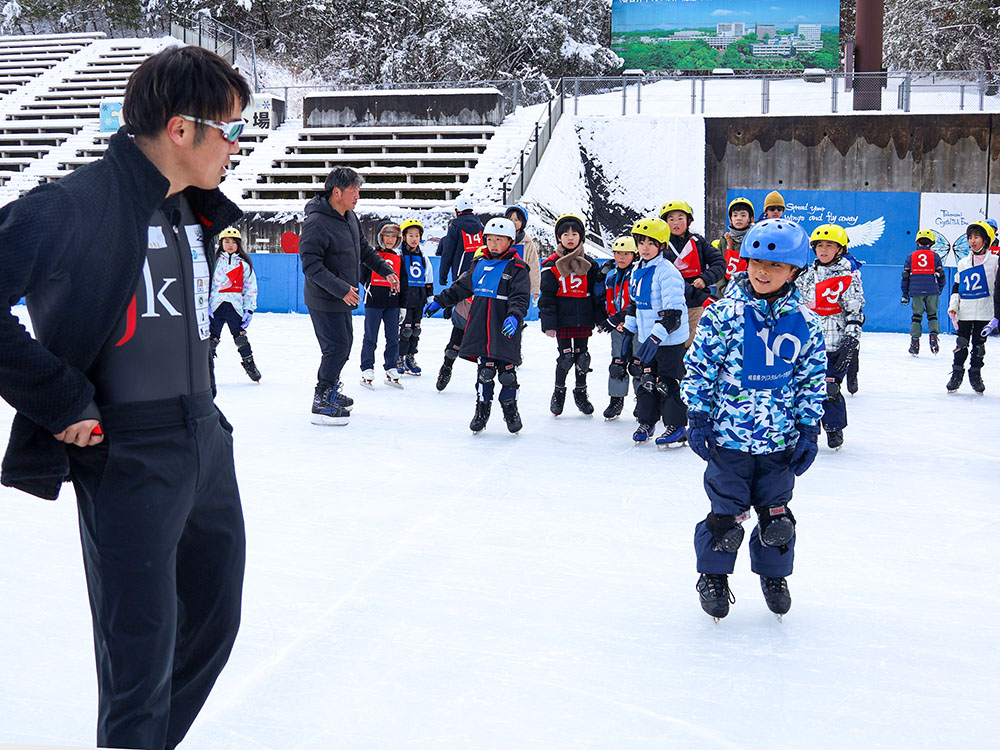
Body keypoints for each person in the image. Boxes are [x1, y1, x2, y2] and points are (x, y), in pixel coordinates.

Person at [0, 46, 250, 750]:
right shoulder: (71, 206)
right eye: (229, 128)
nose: (236, 145)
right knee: (139, 658)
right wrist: (60, 398)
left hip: (204, 442)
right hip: (128, 453)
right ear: (180, 129)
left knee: (212, 624)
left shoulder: (194, 209)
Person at [684, 218, 827, 621]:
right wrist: (697, 416)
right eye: (755, 262)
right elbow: (699, 367)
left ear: (794, 270)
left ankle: (773, 575)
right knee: (725, 519)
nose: (762, 272)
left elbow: (810, 378)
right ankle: (713, 576)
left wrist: (809, 428)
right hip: (729, 439)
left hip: (778, 441)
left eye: (775, 265)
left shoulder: (806, 321)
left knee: (776, 517)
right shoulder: (723, 315)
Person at [300, 167, 400, 425]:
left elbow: (364, 250)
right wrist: (341, 288)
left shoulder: (349, 217)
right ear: (337, 192)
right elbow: (311, 266)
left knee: (343, 346)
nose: (357, 195)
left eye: (358, 190)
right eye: (354, 190)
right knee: (336, 348)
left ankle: (330, 389)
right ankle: (322, 398)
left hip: (345, 296)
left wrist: (385, 269)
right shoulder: (316, 222)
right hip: (325, 298)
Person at [424, 218, 530, 434]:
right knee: (485, 373)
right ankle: (482, 411)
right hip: (481, 328)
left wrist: (515, 316)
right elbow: (460, 288)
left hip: (504, 329)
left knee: (507, 374)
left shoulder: (518, 268)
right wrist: (440, 300)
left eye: (499, 240)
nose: (493, 244)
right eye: (489, 239)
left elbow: (520, 297)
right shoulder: (479, 265)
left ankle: (511, 410)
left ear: (510, 241)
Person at [796, 224, 865, 449]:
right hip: (810, 343)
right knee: (807, 388)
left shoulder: (849, 277)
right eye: (819, 246)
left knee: (831, 388)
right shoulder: (806, 275)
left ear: (840, 249)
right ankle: (809, 428)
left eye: (829, 246)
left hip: (836, 342)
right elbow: (797, 303)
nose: (823, 250)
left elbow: (855, 311)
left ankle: (834, 429)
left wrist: (851, 342)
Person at [621, 217, 688, 445]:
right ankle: (647, 421)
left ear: (661, 245)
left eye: (651, 243)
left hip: (669, 341)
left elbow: (673, 314)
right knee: (646, 379)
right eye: (641, 242)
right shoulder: (638, 270)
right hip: (649, 338)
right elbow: (634, 304)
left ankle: (676, 426)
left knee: (667, 383)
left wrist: (655, 336)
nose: (645, 248)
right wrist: (628, 333)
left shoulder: (667, 272)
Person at [538, 213, 606, 416]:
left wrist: (601, 319)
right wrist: (549, 323)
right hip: (563, 318)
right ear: (559, 237)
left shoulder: (590, 265)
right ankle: (559, 392)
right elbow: (547, 297)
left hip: (583, 317)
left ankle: (581, 393)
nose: (570, 237)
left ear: (581, 237)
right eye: (565, 234)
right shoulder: (551, 265)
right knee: (566, 357)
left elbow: (597, 296)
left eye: (574, 233)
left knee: (582, 357)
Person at [658, 200, 725, 346]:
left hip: (695, 304)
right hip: (669, 304)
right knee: (671, 346)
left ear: (688, 221)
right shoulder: (660, 245)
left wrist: (705, 279)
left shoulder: (698, 241)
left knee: (694, 345)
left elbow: (719, 263)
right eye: (671, 219)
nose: (676, 223)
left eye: (680, 218)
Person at [435, 196, 484, 391]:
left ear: (457, 211)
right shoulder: (481, 226)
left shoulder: (455, 226)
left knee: (459, 325)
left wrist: (442, 276)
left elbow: (448, 252)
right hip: (481, 276)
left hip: (462, 278)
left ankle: (447, 365)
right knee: (482, 332)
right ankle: (482, 378)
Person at [947, 221, 998, 393]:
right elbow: (957, 287)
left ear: (985, 240)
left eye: (977, 237)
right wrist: (953, 307)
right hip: (965, 311)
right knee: (961, 344)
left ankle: (975, 374)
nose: (972, 241)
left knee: (979, 346)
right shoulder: (963, 263)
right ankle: (956, 374)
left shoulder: (995, 262)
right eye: (970, 237)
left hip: (985, 311)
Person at [209, 226, 260, 390]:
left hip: (235, 308)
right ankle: (205, 371)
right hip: (215, 306)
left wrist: (249, 309)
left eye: (233, 242)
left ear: (239, 244)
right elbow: (206, 284)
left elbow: (250, 289)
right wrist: (205, 306)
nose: (230, 245)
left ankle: (249, 365)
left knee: (240, 338)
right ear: (220, 243)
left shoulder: (244, 265)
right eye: (226, 241)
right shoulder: (214, 262)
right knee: (210, 340)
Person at [359, 220, 407, 389]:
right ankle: (367, 368)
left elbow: (404, 282)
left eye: (394, 237)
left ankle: (391, 367)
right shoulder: (371, 255)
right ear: (380, 237)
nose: (390, 240)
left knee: (393, 338)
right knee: (370, 337)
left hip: (392, 304)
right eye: (387, 236)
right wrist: (368, 287)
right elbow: (361, 274)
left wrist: (403, 305)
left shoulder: (399, 258)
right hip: (373, 302)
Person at [594, 235, 637, 420]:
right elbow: (599, 296)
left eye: (626, 254)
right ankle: (616, 400)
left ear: (634, 255)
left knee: (638, 365)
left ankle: (644, 402)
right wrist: (600, 276)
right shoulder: (612, 275)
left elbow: (636, 301)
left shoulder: (637, 273)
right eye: (618, 253)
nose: (621, 257)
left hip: (636, 325)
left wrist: (623, 319)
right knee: (617, 364)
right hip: (617, 326)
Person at [397, 218, 434, 375]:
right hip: (404, 298)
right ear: (403, 237)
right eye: (410, 235)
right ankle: (399, 357)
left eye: (417, 236)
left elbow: (429, 277)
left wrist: (430, 298)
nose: (414, 239)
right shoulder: (399, 255)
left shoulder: (423, 257)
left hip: (419, 297)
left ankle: (410, 357)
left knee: (415, 330)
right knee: (404, 330)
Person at [901, 228, 945, 356]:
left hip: (916, 290)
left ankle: (915, 343)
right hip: (932, 289)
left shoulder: (911, 257)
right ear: (931, 243)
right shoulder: (935, 256)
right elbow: (941, 275)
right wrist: (940, 288)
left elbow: (905, 276)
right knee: (932, 315)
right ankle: (933, 336)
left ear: (917, 242)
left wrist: (905, 293)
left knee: (917, 316)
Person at [716, 196, 755, 298]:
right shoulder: (724, 240)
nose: (738, 218)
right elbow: (718, 265)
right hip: (725, 294)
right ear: (731, 219)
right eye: (735, 215)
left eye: (743, 215)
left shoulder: (755, 240)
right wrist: (723, 287)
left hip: (749, 293)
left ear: (750, 218)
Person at [505, 204, 541, 303]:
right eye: (510, 219)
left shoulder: (527, 243)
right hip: (502, 284)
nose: (513, 222)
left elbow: (534, 266)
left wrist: (535, 290)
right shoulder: (500, 239)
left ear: (523, 222)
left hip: (519, 285)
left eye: (517, 220)